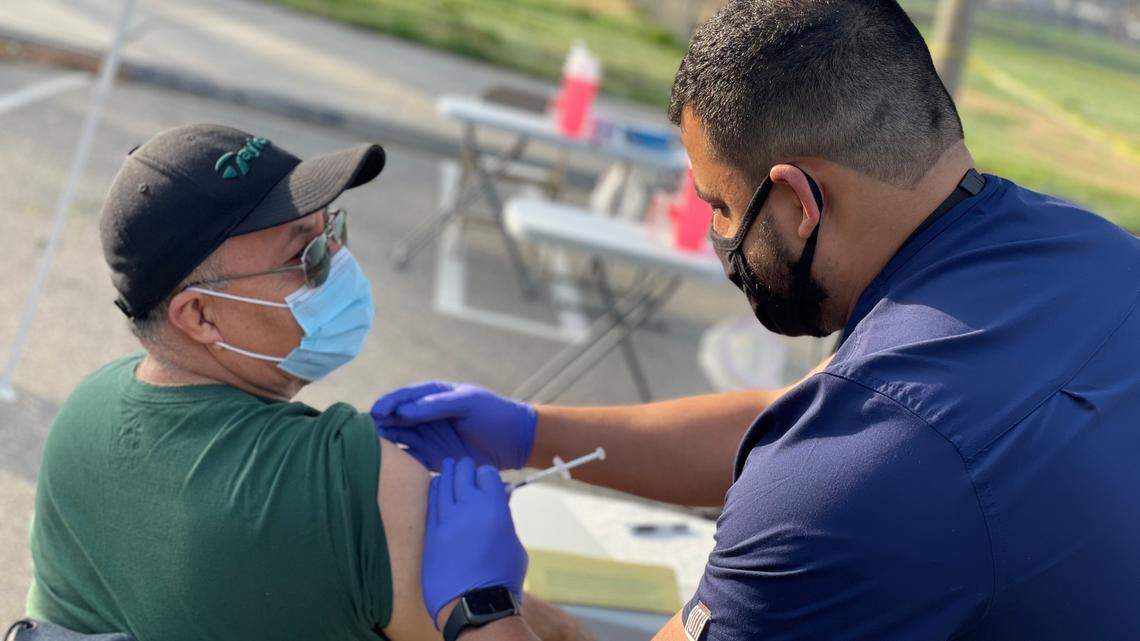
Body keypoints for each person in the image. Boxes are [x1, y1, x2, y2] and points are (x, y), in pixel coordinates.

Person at [379, 1, 1140, 640]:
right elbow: (800, 420)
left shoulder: (859, 478)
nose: (718, 235)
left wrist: (479, 607)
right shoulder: (1089, 251)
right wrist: (529, 430)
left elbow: (841, 456)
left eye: (719, 205)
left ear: (799, 204)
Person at [26, 124, 587, 641]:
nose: (340, 261)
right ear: (199, 316)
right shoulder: (350, 480)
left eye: (332, 227)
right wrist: (491, 606)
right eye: (307, 254)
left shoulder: (85, 410)